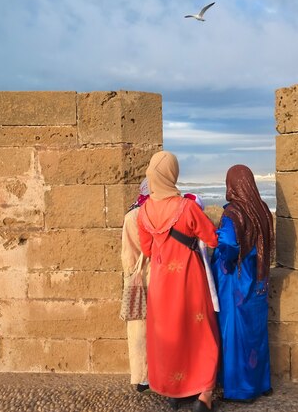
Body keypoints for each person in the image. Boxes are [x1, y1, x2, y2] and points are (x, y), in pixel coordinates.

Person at [137, 151, 220, 412]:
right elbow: (212, 238)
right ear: (173, 174)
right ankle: (203, 393)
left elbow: (148, 250)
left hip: (161, 282)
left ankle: (175, 390)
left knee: (169, 333)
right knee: (200, 331)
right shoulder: (187, 207)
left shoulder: (143, 211)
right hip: (190, 278)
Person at [211, 164, 274, 402]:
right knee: (257, 333)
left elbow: (227, 246)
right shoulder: (263, 209)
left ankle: (240, 389)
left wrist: (217, 256)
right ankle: (262, 383)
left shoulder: (233, 213)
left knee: (235, 333)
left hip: (236, 281)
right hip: (258, 279)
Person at [120, 178, 151, 392]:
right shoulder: (156, 213)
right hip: (159, 274)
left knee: (139, 327)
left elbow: (128, 255)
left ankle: (142, 377)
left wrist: (129, 275)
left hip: (138, 277)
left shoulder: (132, 215)